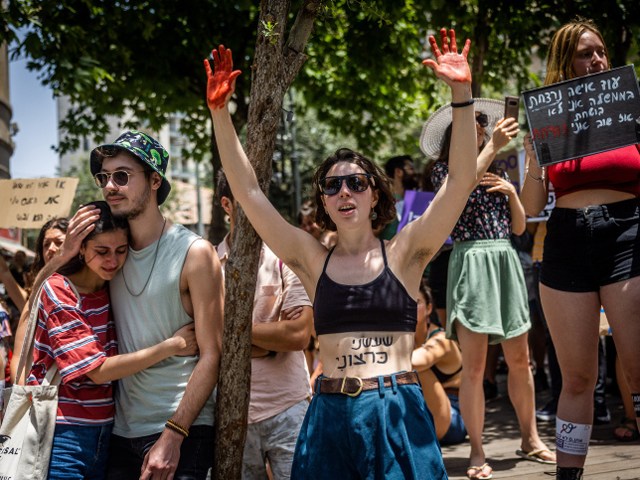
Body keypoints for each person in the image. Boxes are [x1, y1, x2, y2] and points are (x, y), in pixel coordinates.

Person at [205, 28, 478, 479]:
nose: (344, 191)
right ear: (325, 202)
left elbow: (461, 179)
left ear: (376, 195)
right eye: (332, 185)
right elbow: (250, 193)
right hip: (329, 413)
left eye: (356, 182)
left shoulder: (406, 251)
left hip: (396, 410)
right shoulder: (312, 259)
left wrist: (462, 96)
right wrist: (220, 114)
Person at [519, 18, 640, 480]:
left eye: (601, 51)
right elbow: (532, 207)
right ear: (565, 62)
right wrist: (533, 158)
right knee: (576, 378)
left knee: (637, 370)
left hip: (628, 234)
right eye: (585, 53)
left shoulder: (629, 104)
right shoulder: (549, 116)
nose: (596, 60)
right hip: (566, 238)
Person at [423, 98, 556, 479]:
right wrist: (493, 147)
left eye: (483, 128)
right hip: (471, 264)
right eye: (474, 128)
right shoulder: (443, 171)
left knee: (521, 361)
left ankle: (530, 439)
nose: (482, 131)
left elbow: (518, 229)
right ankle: (477, 452)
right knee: (476, 367)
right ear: (456, 135)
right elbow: (458, 192)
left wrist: (512, 193)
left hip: (505, 262)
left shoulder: (498, 171)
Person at [24, 202, 199, 480]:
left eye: (121, 251)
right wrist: (173, 346)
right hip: (61, 434)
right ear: (81, 249)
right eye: (101, 251)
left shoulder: (112, 284)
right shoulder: (59, 289)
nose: (113, 261)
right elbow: (97, 370)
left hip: (108, 434)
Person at [88, 131, 224, 480]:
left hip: (180, 429)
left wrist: (174, 434)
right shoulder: (108, 256)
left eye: (122, 176)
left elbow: (212, 354)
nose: (109, 187)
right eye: (104, 177)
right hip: (120, 432)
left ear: (154, 180)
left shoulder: (194, 252)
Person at [216, 170, 314, 480]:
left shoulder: (287, 256)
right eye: (245, 199)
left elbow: (298, 334)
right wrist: (268, 343)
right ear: (226, 205)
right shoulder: (207, 263)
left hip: (289, 407)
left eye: (259, 196)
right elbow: (205, 341)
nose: (256, 206)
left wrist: (231, 334)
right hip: (230, 414)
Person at [411, 280, 466, 445]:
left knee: (417, 369)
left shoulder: (441, 339)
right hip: (419, 408)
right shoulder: (403, 339)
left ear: (429, 309)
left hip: (454, 416)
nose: (409, 307)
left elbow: (413, 362)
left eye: (416, 302)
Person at [379, 155, 420, 240]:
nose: (416, 172)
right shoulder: (385, 202)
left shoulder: (417, 201)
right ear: (398, 172)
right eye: (411, 168)